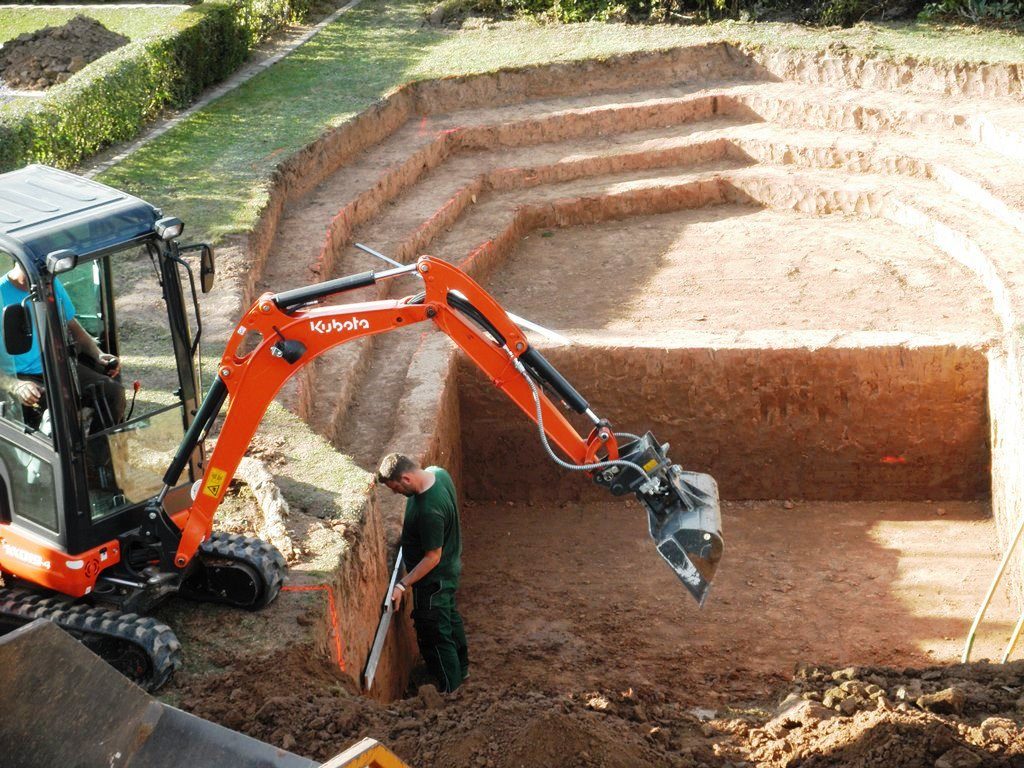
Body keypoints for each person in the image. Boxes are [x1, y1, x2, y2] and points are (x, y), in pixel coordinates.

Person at [377, 452, 468, 693]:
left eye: (396, 488)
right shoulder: (438, 473)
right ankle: (462, 670)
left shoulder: (429, 510)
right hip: (449, 572)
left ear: (406, 478)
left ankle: (451, 690)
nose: (396, 494)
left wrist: (401, 584)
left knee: (435, 634)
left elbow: (432, 557)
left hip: (433, 582)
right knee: (450, 619)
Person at [0, 261, 125, 427]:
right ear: (19, 263)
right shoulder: (2, 293)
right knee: (56, 418)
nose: (45, 283)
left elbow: (71, 324)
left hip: (57, 366)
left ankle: (97, 452)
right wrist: (16, 385)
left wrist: (97, 353)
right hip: (21, 376)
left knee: (112, 393)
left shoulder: (49, 282)